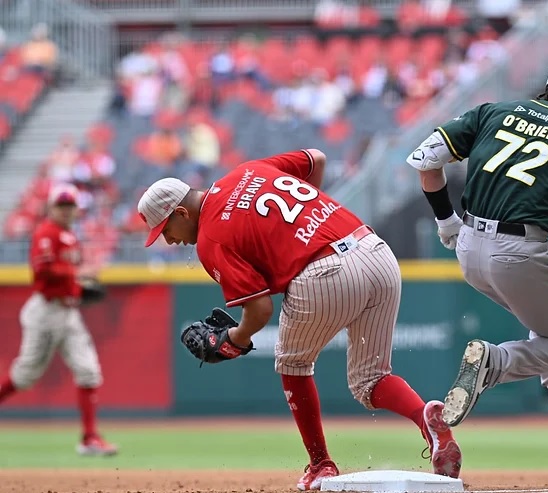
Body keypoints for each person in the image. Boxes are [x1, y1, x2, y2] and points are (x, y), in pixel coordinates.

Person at [137, 149, 462, 490]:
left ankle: (321, 464)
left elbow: (260, 311)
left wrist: (236, 338)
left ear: (181, 212)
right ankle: (428, 422)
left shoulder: (210, 238)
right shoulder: (248, 169)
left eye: (166, 230)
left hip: (324, 272)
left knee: (293, 366)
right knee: (371, 379)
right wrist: (307, 225)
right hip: (374, 251)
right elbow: (318, 158)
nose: (169, 240)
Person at [406, 49, 548, 456]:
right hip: (520, 251)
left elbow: (426, 160)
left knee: (547, 333)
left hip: (469, 246)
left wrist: (446, 222)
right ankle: (495, 364)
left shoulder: (494, 110)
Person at [0, 184, 118, 456]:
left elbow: (65, 274)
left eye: (69, 206)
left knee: (88, 371)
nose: (66, 211)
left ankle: (89, 439)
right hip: (46, 311)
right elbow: (42, 270)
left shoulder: (69, 235)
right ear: (51, 208)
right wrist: (75, 276)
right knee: (25, 375)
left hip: (68, 311)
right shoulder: (46, 232)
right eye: (61, 206)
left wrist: (77, 288)